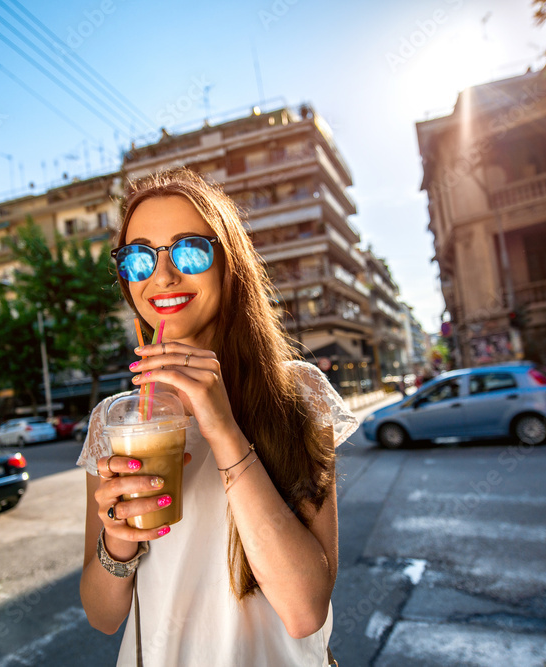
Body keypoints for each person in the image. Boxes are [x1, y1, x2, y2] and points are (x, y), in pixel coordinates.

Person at [77, 168, 358, 666]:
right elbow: (102, 617)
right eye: (139, 257)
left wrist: (224, 429)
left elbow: (304, 610)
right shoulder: (115, 422)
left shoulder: (297, 392)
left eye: (188, 250)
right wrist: (117, 540)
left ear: (229, 264)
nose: (161, 276)